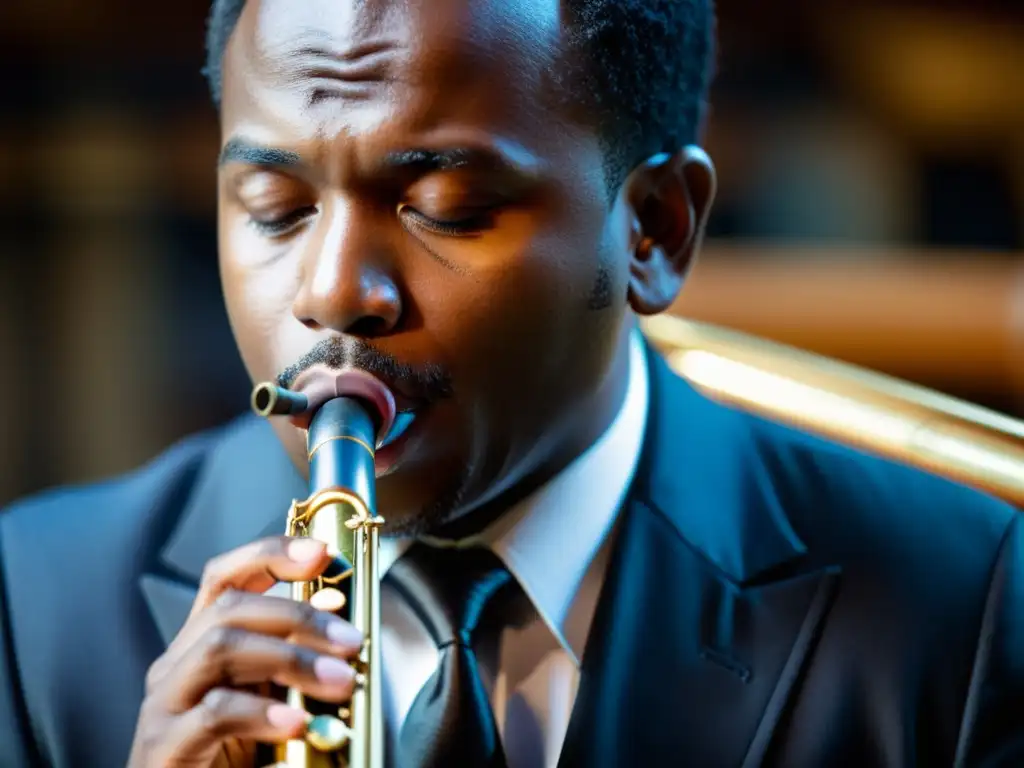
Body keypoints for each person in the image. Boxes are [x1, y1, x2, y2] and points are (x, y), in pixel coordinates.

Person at [1, 0, 1022, 766]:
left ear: (655, 229)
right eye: (272, 208)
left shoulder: (968, 604)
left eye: (443, 206)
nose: (330, 294)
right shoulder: (33, 608)